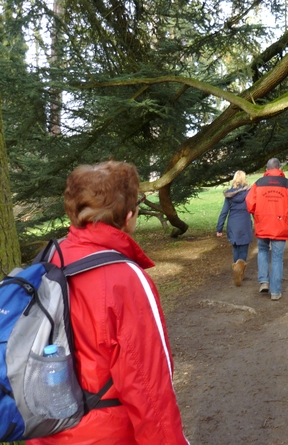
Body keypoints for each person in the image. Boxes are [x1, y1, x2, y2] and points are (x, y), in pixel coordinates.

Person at [28, 161, 188, 445]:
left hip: (47, 430)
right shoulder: (124, 280)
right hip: (105, 435)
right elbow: (149, 388)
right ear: (128, 216)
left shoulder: (50, 259)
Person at [245, 158, 288, 300]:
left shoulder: (258, 184)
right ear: (279, 168)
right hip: (280, 226)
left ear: (267, 169)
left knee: (262, 251)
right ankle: (275, 292)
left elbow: (250, 204)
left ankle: (264, 281)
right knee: (277, 258)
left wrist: (259, 214)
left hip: (263, 224)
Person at [216, 170, 253, 285]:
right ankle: (240, 271)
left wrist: (219, 228)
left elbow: (224, 212)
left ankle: (237, 270)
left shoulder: (229, 195)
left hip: (233, 224)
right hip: (245, 223)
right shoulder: (249, 193)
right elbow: (254, 208)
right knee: (244, 249)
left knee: (235, 248)